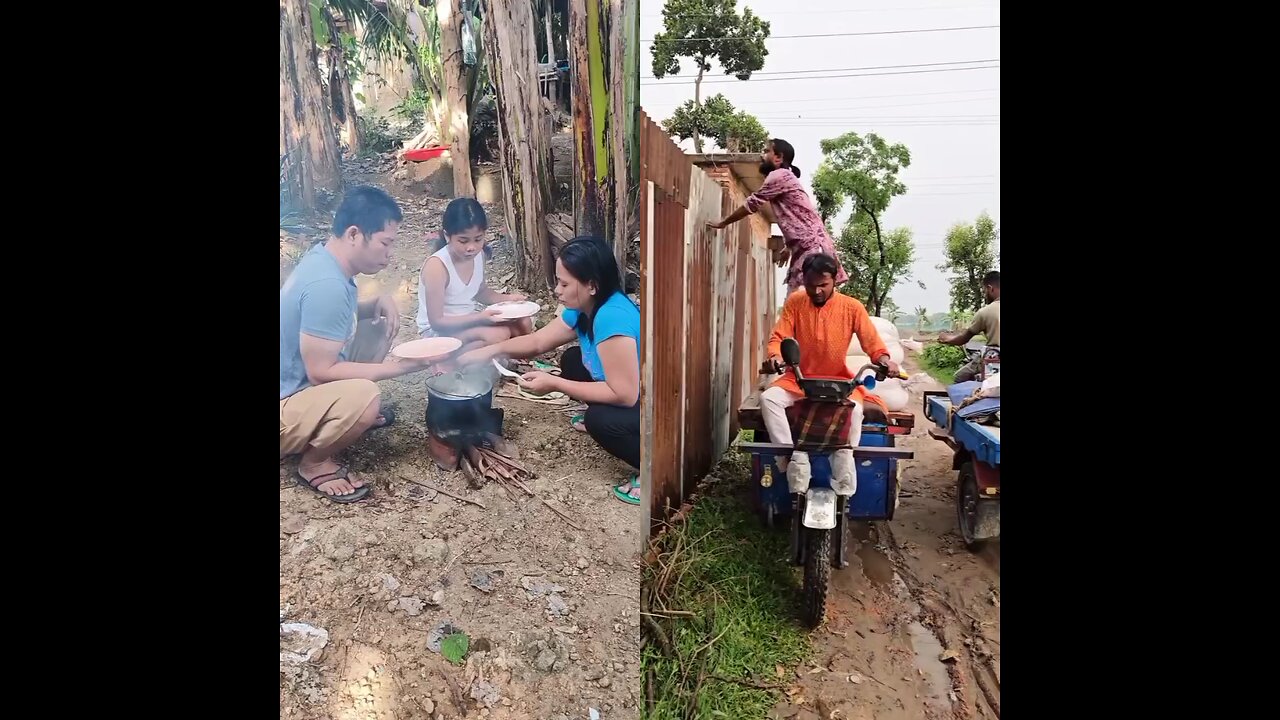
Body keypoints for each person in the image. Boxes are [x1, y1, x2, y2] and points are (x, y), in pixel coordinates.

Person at [280, 186, 436, 504]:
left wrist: (374, 303)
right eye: (385, 243)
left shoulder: (325, 261)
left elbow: (328, 322)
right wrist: (399, 368)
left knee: (375, 325)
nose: (389, 254)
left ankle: (333, 418)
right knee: (365, 398)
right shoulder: (327, 285)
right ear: (354, 234)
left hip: (296, 384)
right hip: (285, 405)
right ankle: (314, 464)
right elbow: (321, 371)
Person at [457, 237, 641, 504]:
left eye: (565, 284)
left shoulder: (612, 317)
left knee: (599, 421)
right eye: (558, 281)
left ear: (591, 285)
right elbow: (537, 342)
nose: (557, 290)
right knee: (573, 360)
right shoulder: (586, 307)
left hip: (657, 407)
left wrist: (555, 384)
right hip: (629, 390)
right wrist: (487, 351)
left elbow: (625, 394)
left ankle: (652, 466)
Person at [760, 253, 900, 496]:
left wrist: (885, 361)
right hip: (800, 379)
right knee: (769, 399)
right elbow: (780, 337)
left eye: (823, 285)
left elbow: (873, 343)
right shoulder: (795, 302)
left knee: (855, 411)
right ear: (804, 281)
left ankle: (843, 468)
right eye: (810, 285)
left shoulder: (852, 307)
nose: (816, 291)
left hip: (840, 382)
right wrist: (775, 357)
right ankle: (790, 457)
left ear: (835, 280)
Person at [707, 138, 849, 292]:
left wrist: (724, 222)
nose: (762, 156)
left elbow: (751, 204)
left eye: (766, 151)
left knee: (804, 300)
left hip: (812, 249)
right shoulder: (787, 177)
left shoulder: (778, 176)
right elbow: (800, 216)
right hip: (809, 247)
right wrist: (789, 246)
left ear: (778, 157)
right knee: (799, 299)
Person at [416, 198, 533, 359]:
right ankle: (452, 362)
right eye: (463, 241)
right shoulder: (437, 267)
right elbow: (437, 322)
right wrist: (480, 318)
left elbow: (480, 291)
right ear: (447, 236)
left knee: (524, 322)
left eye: (478, 239)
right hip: (440, 331)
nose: (471, 247)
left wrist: (508, 299)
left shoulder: (479, 255)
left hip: (468, 321)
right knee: (498, 335)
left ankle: (493, 356)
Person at [937, 271, 1000, 383]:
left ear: (990, 288)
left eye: (984, 290)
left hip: (995, 359)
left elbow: (963, 339)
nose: (985, 294)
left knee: (960, 377)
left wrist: (946, 339)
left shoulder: (986, 312)